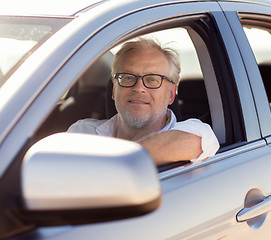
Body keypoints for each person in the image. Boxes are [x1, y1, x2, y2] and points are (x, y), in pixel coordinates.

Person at [68, 38, 219, 165]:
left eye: (153, 79)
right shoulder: (82, 132)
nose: (139, 88)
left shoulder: (194, 132)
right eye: (127, 77)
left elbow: (195, 142)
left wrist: (108, 168)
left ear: (171, 94)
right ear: (114, 90)